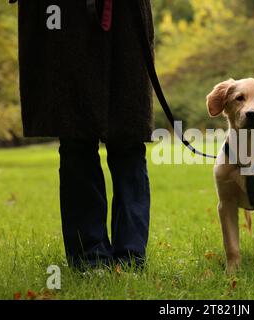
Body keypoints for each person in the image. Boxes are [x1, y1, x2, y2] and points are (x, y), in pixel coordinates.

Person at [15, 0, 154, 270]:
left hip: (125, 21)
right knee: (76, 139)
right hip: (62, 21)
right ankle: (89, 258)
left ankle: (130, 257)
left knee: (128, 140)